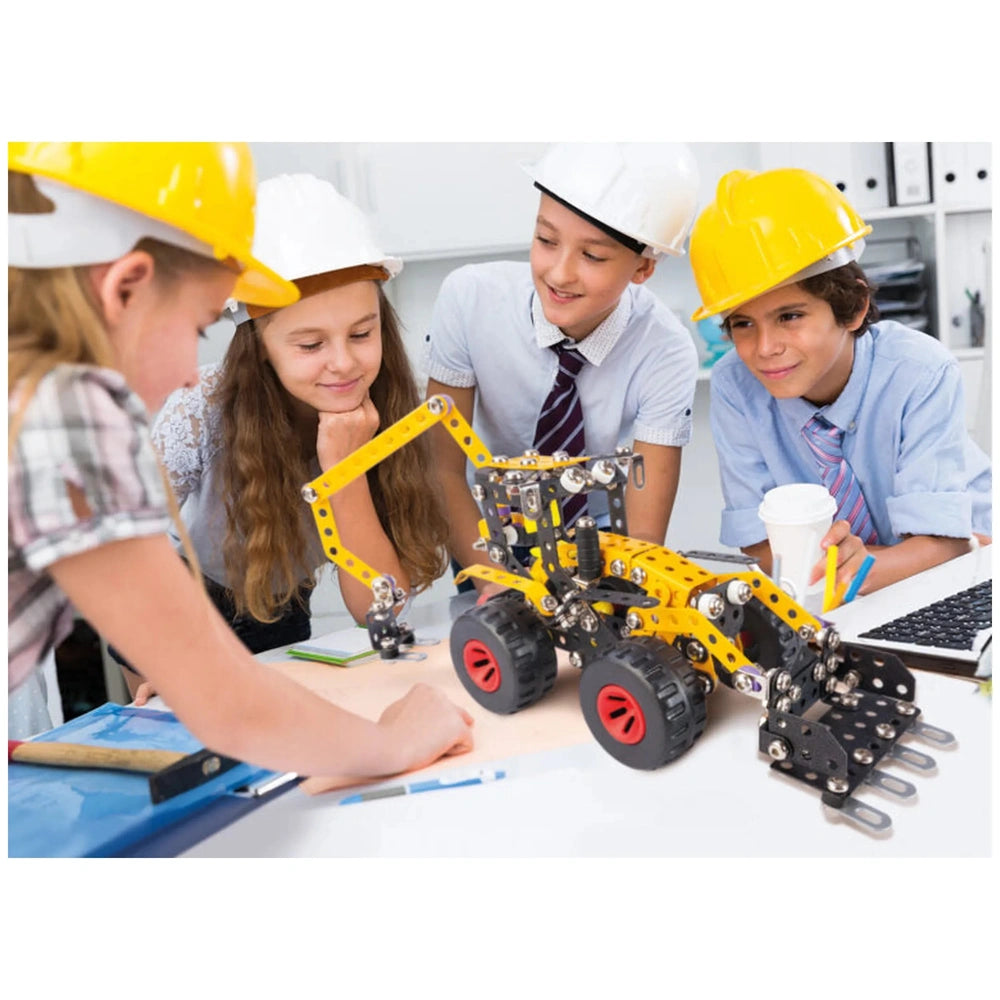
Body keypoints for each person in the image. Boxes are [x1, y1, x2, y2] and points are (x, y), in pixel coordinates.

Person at [8, 142, 473, 780]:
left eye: (359, 334)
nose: (184, 373)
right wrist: (393, 744)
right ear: (125, 290)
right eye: (197, 326)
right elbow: (228, 702)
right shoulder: (71, 428)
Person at [115, 172, 449, 679]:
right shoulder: (199, 408)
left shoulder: (389, 411)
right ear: (260, 349)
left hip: (280, 605)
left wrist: (345, 470)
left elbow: (384, 612)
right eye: (311, 345)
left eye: (362, 333)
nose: (343, 363)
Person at [688, 166, 992, 596]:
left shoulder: (920, 371)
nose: (765, 347)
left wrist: (849, 566)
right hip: (845, 594)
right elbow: (760, 545)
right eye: (742, 324)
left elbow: (945, 547)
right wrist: (846, 570)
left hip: (963, 576)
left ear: (852, 309)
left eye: (789, 316)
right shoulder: (736, 386)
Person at [424, 142, 701, 594]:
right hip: (491, 534)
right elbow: (442, 469)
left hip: (600, 543)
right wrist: (497, 580)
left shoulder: (665, 350)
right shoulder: (469, 300)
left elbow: (644, 541)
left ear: (643, 268)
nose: (559, 273)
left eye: (592, 256)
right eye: (546, 240)